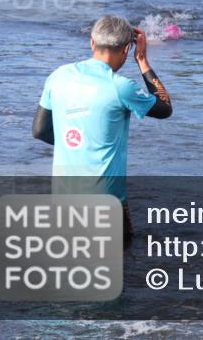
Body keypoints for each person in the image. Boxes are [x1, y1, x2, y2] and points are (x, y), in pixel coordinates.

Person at [32, 15, 173, 246]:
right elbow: (165, 107)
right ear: (126, 49)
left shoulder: (58, 76)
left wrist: (77, 145)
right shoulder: (121, 87)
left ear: (92, 43)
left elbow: (39, 131)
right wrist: (143, 60)